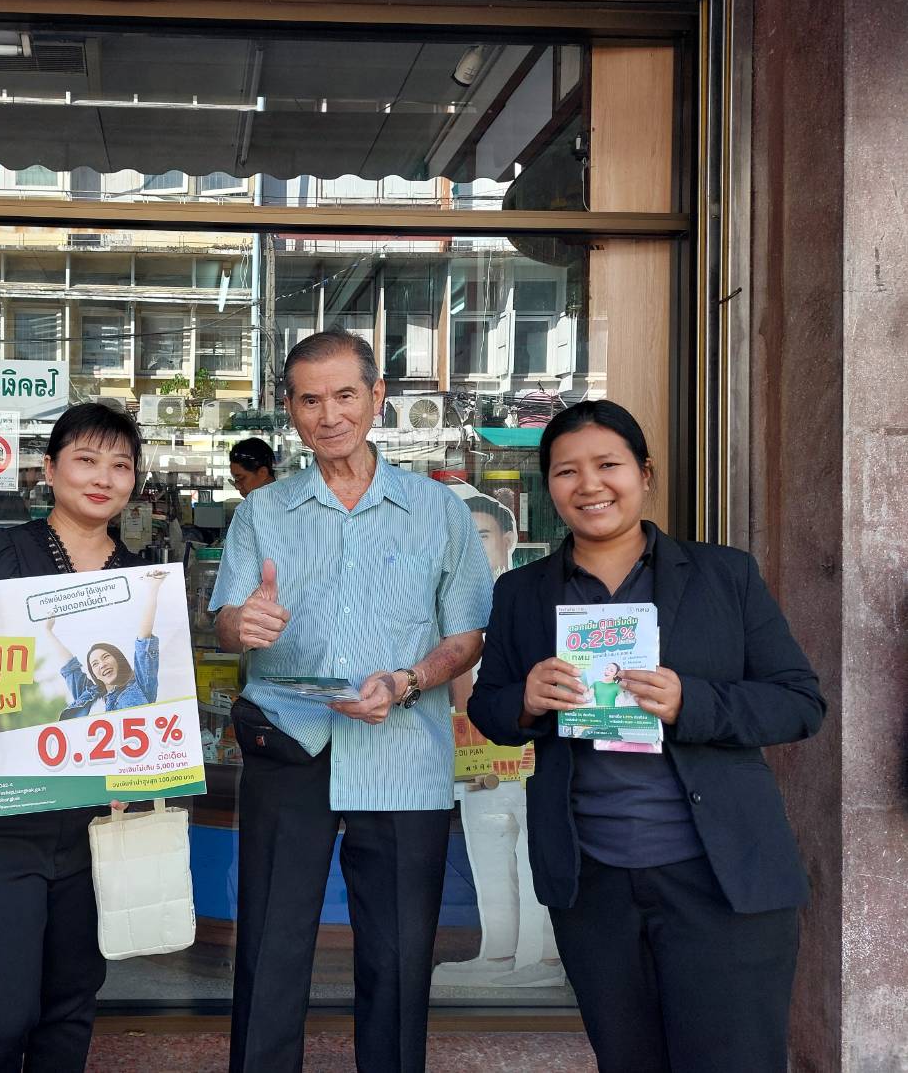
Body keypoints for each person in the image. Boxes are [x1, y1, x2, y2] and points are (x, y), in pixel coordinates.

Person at [467, 399, 826, 1073]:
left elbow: (798, 703)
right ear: (549, 487)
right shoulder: (522, 592)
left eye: (608, 465)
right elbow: (489, 708)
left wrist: (692, 701)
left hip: (721, 878)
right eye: (566, 471)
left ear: (645, 473)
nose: (589, 485)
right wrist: (525, 700)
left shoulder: (724, 576)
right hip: (593, 882)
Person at [210, 330, 493, 1072]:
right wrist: (243, 623)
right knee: (271, 945)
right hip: (290, 744)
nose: (328, 415)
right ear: (289, 409)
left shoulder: (437, 510)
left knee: (399, 954)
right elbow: (227, 619)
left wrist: (408, 681)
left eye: (344, 395)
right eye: (310, 400)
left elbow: (466, 633)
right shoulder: (262, 512)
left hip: (403, 749)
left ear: (377, 397)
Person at [0, 402, 147, 1072]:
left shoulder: (143, 581)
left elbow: (149, 700)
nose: (103, 477)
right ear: (49, 470)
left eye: (120, 465)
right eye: (86, 459)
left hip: (95, 827)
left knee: (69, 1007)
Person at [435, 488, 563, 990]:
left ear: (509, 538)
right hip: (472, 750)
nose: (474, 546)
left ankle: (543, 958)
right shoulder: (447, 599)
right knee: (488, 849)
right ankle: (499, 953)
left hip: (527, 751)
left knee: (532, 851)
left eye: (483, 535)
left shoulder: (531, 596)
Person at [44, 568, 168, 720]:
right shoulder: (88, 695)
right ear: (93, 673)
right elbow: (70, 668)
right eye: (95, 664)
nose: (102, 665)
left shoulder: (140, 686)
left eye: (105, 657)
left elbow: (144, 643)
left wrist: (153, 589)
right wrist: (48, 631)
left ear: (118, 659)